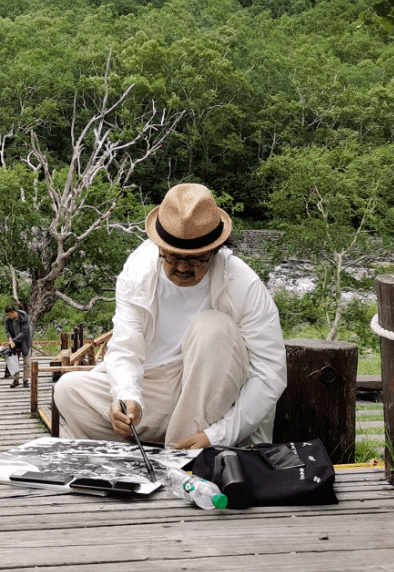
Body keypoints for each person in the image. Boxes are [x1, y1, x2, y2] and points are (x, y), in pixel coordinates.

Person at [53, 183, 286, 449]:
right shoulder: (137, 271)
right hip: (155, 387)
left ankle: (182, 451)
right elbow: (125, 346)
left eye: (196, 259)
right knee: (69, 389)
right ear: (158, 246)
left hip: (214, 393)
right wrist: (127, 395)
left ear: (215, 250)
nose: (183, 268)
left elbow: (270, 373)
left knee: (213, 326)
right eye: (173, 257)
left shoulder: (242, 282)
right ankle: (151, 449)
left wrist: (218, 435)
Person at [3, 304, 32, 388]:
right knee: (14, 362)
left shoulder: (24, 317)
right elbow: (7, 330)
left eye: (9, 315)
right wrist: (9, 338)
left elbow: (24, 331)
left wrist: (13, 340)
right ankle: (16, 380)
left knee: (27, 362)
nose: (8, 316)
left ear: (13, 312)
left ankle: (26, 380)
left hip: (25, 342)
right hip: (14, 344)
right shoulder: (8, 320)